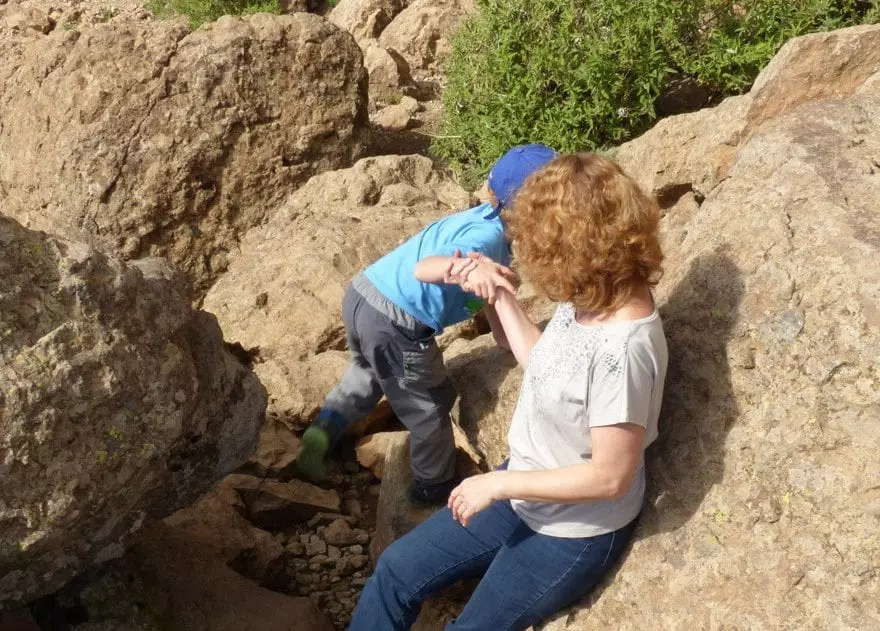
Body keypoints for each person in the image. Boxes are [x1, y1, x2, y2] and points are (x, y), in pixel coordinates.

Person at [349, 153, 668, 630]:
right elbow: (543, 360)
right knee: (396, 571)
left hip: (572, 530)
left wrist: (497, 485)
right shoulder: (596, 295)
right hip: (523, 483)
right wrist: (499, 294)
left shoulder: (622, 351)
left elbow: (609, 478)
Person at [296, 144, 557, 506]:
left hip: (364, 293)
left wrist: (504, 333)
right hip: (395, 322)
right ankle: (432, 487)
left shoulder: (481, 219)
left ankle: (321, 437)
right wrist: (464, 268)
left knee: (367, 373)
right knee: (430, 407)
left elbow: (487, 297)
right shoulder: (484, 239)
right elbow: (431, 266)